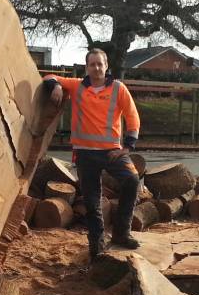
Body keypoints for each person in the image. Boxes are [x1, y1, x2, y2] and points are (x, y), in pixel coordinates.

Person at [43, 48, 141, 261]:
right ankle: (96, 244)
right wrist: (56, 85)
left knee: (132, 180)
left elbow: (133, 117)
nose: (96, 68)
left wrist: (128, 147)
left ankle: (122, 234)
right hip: (85, 154)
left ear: (107, 66)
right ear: (86, 67)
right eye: (92, 64)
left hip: (112, 152)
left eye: (100, 64)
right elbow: (49, 76)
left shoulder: (118, 89)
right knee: (92, 199)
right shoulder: (77, 86)